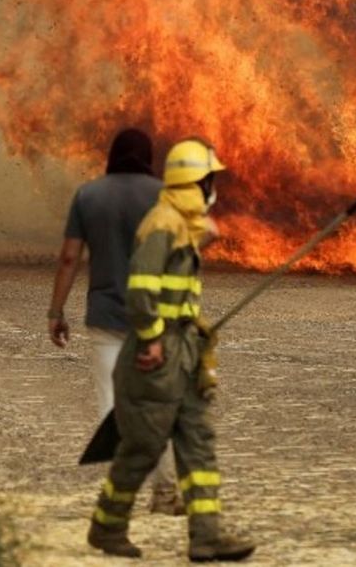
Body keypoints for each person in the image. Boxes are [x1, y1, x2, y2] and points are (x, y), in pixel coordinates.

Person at [87, 138, 255, 562]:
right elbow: (140, 290)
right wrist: (152, 338)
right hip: (156, 356)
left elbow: (208, 233)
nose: (214, 188)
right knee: (142, 446)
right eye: (209, 180)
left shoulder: (181, 222)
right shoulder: (163, 224)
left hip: (183, 353)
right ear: (196, 183)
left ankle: (206, 536)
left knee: (198, 441)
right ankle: (107, 527)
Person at [46, 128, 183, 514]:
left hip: (105, 318)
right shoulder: (164, 197)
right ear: (147, 157)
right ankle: (165, 492)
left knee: (113, 410)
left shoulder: (88, 195)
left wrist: (56, 311)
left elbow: (69, 258)